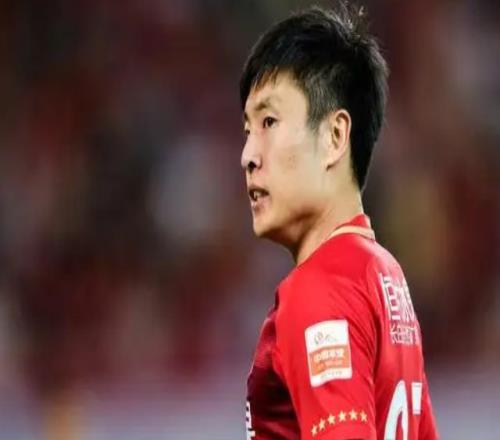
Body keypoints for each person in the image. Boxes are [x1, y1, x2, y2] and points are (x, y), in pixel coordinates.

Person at [240, 4, 439, 440]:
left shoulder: (319, 287)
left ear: (334, 137)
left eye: (269, 121)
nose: (248, 156)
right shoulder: (386, 277)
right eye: (247, 131)